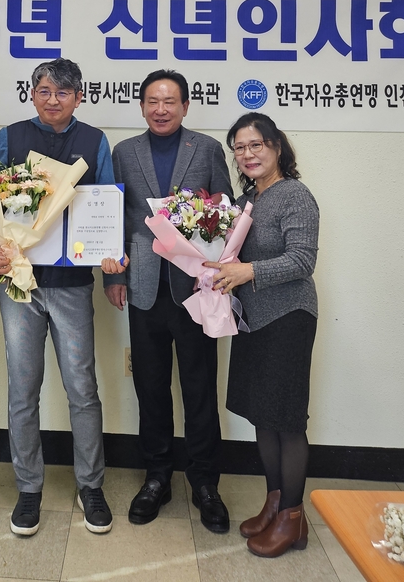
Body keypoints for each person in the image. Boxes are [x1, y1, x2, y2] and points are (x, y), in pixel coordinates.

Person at [0, 58, 115, 537]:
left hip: (73, 284)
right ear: (32, 95)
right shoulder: (9, 137)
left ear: (79, 97)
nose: (53, 99)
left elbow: (106, 205)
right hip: (20, 283)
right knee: (23, 389)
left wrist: (111, 258)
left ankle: (91, 485)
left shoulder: (95, 141)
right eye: (44, 90)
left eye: (63, 92)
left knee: (82, 388)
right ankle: (28, 488)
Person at [102, 69, 233, 532]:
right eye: (153, 102)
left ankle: (205, 483)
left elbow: (224, 216)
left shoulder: (207, 149)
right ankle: (156, 476)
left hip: (195, 289)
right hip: (143, 286)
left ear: (185, 106)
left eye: (170, 101)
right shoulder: (124, 152)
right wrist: (112, 276)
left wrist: (217, 272)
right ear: (142, 106)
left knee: (200, 388)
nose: (161, 109)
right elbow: (114, 217)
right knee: (151, 388)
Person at [205, 112, 319, 557]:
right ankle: (274, 503)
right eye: (240, 147)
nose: (248, 154)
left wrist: (246, 271)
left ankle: (293, 517)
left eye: (257, 145)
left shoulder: (295, 195)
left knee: (286, 420)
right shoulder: (247, 199)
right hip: (252, 319)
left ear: (277, 147)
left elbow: (302, 260)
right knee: (262, 415)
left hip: (289, 317)